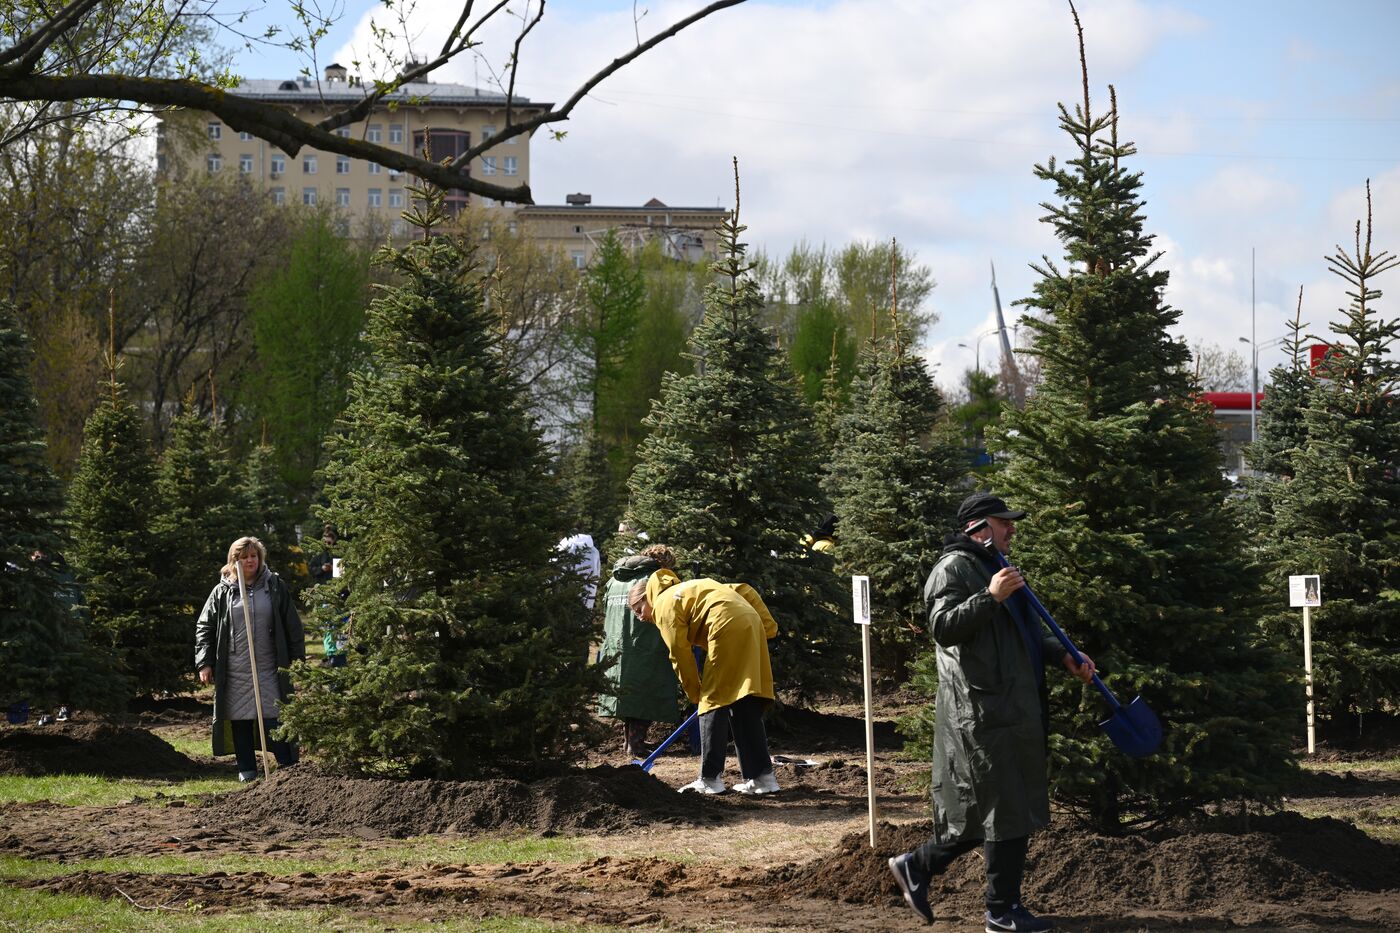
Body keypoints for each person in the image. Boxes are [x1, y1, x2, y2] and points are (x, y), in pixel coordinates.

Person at [888, 492, 1095, 932]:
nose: (1012, 529)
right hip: (980, 712)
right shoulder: (954, 568)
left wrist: (1065, 656)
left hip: (1012, 707)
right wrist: (989, 595)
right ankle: (1000, 912)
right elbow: (943, 627)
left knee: (1004, 810)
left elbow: (1028, 631)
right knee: (1003, 812)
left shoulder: (996, 568)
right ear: (980, 527)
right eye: (1005, 522)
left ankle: (918, 866)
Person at [628, 567, 780, 795]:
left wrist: (697, 694)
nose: (641, 617)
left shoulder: (662, 604)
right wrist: (767, 627)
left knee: (712, 702)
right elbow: (744, 590)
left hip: (725, 626)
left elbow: (679, 653)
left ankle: (709, 780)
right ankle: (763, 779)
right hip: (750, 624)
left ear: (646, 597)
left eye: (639, 610)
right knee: (744, 701)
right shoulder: (692, 587)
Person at [194, 536, 306, 782]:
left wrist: (298, 661)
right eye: (244, 557)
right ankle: (247, 769)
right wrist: (205, 662)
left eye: (253, 556)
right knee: (240, 717)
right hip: (235, 667)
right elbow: (205, 626)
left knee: (275, 715)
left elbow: (293, 627)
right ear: (234, 561)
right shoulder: (222, 591)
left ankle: (287, 767)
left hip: (269, 665)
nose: (250, 561)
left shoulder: (274, 586)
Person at [597, 544, 682, 759]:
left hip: (616, 646)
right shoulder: (655, 579)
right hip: (647, 645)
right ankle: (635, 745)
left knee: (628, 696)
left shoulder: (615, 579)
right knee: (645, 694)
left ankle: (631, 742)